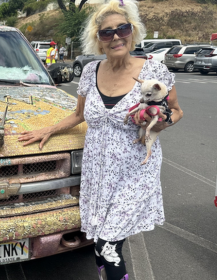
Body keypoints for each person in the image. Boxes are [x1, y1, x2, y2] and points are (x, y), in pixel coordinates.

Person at [18, 1, 183, 280]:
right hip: (97, 174)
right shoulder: (91, 71)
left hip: (134, 173)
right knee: (98, 242)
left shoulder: (153, 72)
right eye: (107, 33)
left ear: (133, 32)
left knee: (108, 245)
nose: (116, 36)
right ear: (98, 40)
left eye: (122, 29)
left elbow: (176, 111)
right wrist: (50, 129)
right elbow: (79, 114)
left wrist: (163, 122)